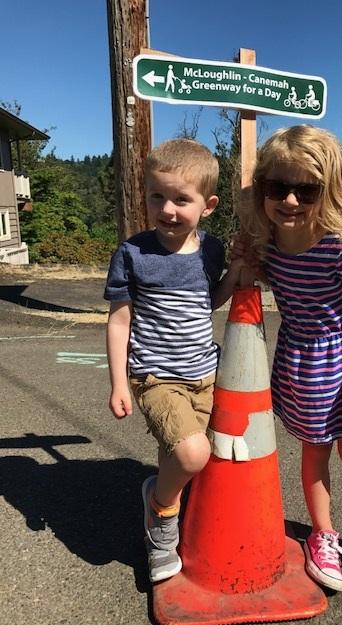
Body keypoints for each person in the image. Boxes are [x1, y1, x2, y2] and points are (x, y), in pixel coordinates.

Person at [239, 125, 342, 593]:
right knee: (314, 453)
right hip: (301, 365)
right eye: (277, 188)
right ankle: (323, 535)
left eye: (305, 189)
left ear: (328, 191)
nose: (289, 200)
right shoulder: (269, 246)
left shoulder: (341, 246)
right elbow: (252, 278)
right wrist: (242, 257)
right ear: (262, 189)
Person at [104, 138, 242, 583]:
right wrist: (120, 383)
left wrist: (236, 275)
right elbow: (119, 322)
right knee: (193, 451)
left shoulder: (211, 250)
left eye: (182, 199)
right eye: (157, 196)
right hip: (155, 376)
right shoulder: (133, 254)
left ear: (208, 205)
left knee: (185, 457)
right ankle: (159, 519)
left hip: (205, 374)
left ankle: (161, 490)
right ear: (144, 194)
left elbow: (210, 302)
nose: (167, 209)